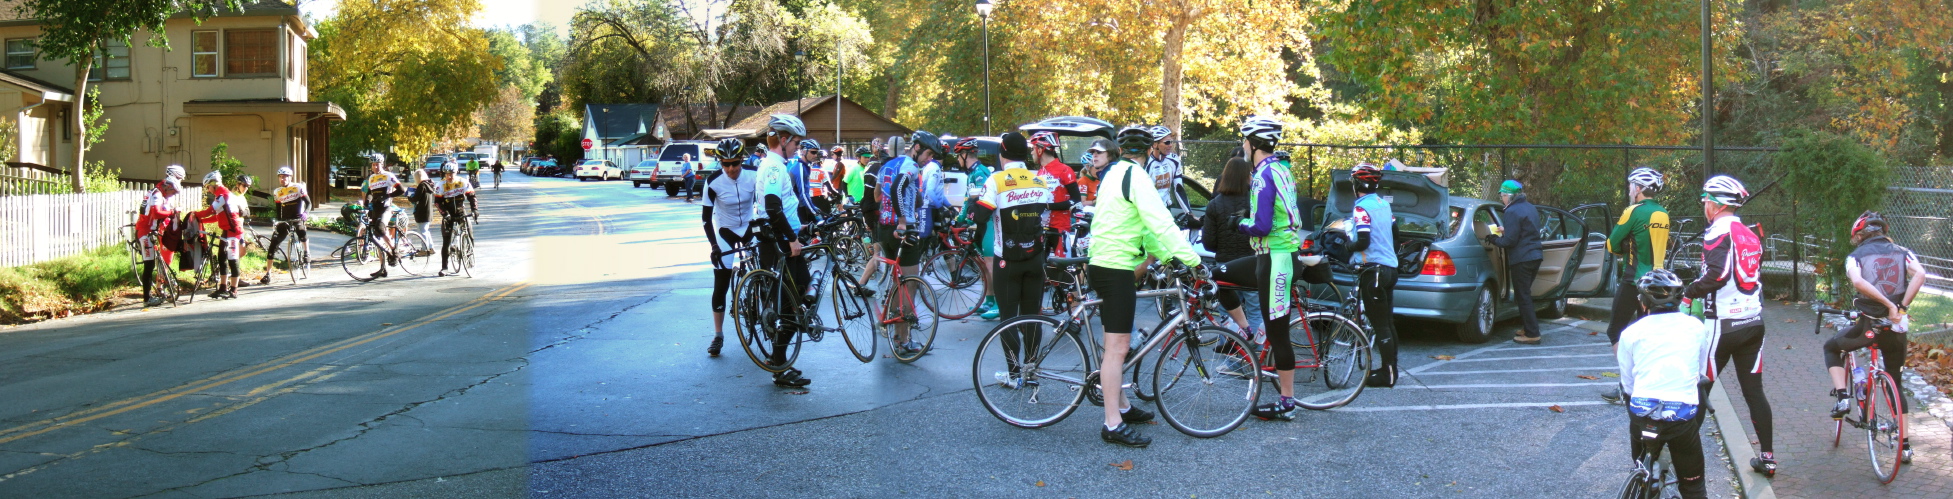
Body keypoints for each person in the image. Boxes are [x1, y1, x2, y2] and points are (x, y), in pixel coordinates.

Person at [1090, 125, 1204, 447]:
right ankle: (1112, 424)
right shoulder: (1138, 177)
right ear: (1147, 150)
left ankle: (1122, 406)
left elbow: (1146, 228)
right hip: (1115, 270)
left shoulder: (1113, 174)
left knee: (1117, 344)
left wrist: (1170, 257)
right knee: (1116, 350)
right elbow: (1161, 222)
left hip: (1104, 264)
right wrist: (1194, 262)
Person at [1680, 175, 1777, 475]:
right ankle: (1768, 457)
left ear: (1717, 203)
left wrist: (1688, 293)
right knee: (1754, 392)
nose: (1704, 206)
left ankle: (1682, 455)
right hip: (1752, 321)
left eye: (1706, 200)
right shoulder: (1747, 232)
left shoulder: (1718, 231)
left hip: (1722, 325)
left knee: (1698, 387)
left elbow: (1717, 276)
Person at [1822, 211, 1927, 464]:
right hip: (1896, 329)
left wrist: (1885, 305)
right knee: (1896, 382)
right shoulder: (1903, 252)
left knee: (1831, 348)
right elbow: (1921, 275)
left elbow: (1858, 282)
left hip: (1867, 327)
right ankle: (1904, 446)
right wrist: (1899, 308)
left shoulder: (1855, 257)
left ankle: (1843, 397)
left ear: (1859, 235)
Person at [1229, 116, 1309, 420]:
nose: (1243, 146)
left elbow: (1261, 225)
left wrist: (1239, 223)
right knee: (1222, 275)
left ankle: (1287, 403)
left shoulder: (1263, 174)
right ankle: (1247, 337)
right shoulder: (1280, 168)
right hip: (1275, 255)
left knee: (1278, 334)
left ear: (1253, 144)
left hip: (1276, 258)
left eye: (1244, 141)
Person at [1616, 269, 1712, 499]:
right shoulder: (1696, 327)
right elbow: (1700, 370)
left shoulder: (1631, 333)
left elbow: (1627, 382)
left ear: (1644, 302)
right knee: (1693, 485)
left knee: (1637, 423)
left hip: (1642, 411)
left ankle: (1646, 476)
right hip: (1680, 414)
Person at [970, 132, 1052, 389]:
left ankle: (1014, 373)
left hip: (1007, 259)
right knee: (1031, 316)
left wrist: (972, 208)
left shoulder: (997, 179)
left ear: (1002, 154)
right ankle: (1032, 369)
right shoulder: (1040, 180)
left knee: (1008, 318)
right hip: (1035, 258)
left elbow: (981, 216)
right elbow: (1045, 218)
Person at [751, 114, 816, 387]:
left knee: (799, 295)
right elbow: (773, 207)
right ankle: (779, 363)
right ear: (785, 139)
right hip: (778, 241)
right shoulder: (776, 167)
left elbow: (785, 206)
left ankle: (778, 359)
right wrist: (791, 239)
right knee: (794, 302)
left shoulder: (774, 163)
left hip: (779, 237)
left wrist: (804, 228)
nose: (798, 147)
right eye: (797, 142)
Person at [1602, 167, 1670, 402]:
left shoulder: (1633, 211)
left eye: (1631, 185)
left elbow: (1611, 244)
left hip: (1634, 282)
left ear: (1639, 189)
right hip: (1659, 284)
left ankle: (1627, 387)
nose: (1629, 189)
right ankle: (1650, 386)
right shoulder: (1663, 212)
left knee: (1615, 330)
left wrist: (1624, 248)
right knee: (1648, 336)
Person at [703, 138, 757, 357]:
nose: (731, 168)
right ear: (720, 163)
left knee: (761, 271)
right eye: (725, 164)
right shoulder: (713, 181)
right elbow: (706, 219)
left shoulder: (754, 175)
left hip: (749, 229)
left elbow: (765, 203)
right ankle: (718, 335)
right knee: (721, 284)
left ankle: (758, 306)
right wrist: (714, 245)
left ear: (742, 160)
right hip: (725, 231)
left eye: (735, 163)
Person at [1201, 157, 1262, 349]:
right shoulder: (1256, 202)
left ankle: (1232, 357)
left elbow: (1208, 242)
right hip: (1252, 263)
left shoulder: (1215, 205)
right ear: (1247, 177)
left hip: (1225, 265)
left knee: (1228, 311)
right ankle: (1256, 354)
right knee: (1254, 309)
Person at [1349, 162, 1400, 387]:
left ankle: (1387, 374)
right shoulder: (1383, 205)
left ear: (1357, 184)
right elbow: (1395, 233)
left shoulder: (1361, 208)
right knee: (1387, 322)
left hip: (1374, 271)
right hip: (1390, 269)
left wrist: (1344, 246)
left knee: (1380, 325)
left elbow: (1363, 240)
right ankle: (1390, 370)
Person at [1483, 180, 1545, 344]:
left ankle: (1532, 333)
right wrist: (1506, 230)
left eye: (1503, 196)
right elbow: (1525, 230)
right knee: (1525, 294)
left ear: (1508, 196)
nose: (1502, 199)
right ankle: (1527, 327)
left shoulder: (1511, 211)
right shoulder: (1530, 207)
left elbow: (1509, 242)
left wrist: (1493, 238)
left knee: (1523, 295)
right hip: (1535, 256)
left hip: (1522, 258)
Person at [950, 137, 1000, 320]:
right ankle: (988, 299)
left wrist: (967, 217)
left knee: (990, 264)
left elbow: (981, 202)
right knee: (983, 265)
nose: (956, 160)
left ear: (965, 154)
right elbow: (967, 201)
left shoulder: (980, 173)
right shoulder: (972, 174)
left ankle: (998, 304)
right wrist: (959, 219)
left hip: (988, 224)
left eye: (958, 156)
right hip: (980, 224)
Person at [137, 168, 184, 306]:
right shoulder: (157, 194)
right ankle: (146, 299)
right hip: (145, 232)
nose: (171, 195)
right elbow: (156, 213)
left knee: (152, 264)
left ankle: (153, 293)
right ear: (167, 187)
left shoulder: (157, 191)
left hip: (150, 231)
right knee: (149, 265)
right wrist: (172, 212)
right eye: (172, 192)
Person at [195, 171, 247, 299]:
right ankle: (223, 287)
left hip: (233, 232)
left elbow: (209, 211)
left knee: (233, 260)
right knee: (222, 258)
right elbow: (217, 217)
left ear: (213, 184)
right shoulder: (222, 196)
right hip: (226, 230)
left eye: (208, 187)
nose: (208, 190)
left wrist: (194, 215)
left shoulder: (223, 195)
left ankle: (234, 290)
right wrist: (200, 220)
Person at [1031, 131, 1081, 257]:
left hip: (1059, 227)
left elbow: (1076, 200)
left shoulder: (1064, 170)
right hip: (1042, 226)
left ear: (1040, 149)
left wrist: (1048, 206)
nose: (1031, 152)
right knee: (1042, 268)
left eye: (1033, 149)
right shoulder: (1040, 171)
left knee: (1061, 269)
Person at [260, 166, 311, 285]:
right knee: (273, 244)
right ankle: (268, 274)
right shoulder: (277, 191)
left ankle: (306, 252)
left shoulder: (298, 187)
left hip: (297, 217)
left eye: (285, 177)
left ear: (290, 177)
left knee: (301, 231)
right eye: (280, 177)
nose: (283, 179)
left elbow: (309, 203)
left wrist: (305, 213)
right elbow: (278, 209)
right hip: (285, 220)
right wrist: (278, 221)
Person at [361, 154, 405, 280]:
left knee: (380, 229)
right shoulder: (372, 178)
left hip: (386, 208)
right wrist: (367, 202)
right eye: (373, 165)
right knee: (376, 239)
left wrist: (388, 196)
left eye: (377, 164)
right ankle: (382, 268)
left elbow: (401, 190)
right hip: (375, 209)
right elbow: (370, 193)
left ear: (382, 164)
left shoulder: (388, 175)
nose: (375, 167)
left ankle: (394, 250)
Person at [433, 163, 478, 276]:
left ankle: (469, 255)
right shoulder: (440, 185)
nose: (450, 176)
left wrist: (474, 209)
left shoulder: (463, 182)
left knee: (470, 233)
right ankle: (444, 267)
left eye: (452, 173)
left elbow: (472, 196)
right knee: (446, 241)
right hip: (447, 213)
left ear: (456, 172)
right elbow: (437, 203)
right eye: (447, 174)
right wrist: (444, 214)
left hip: (460, 211)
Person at [1077, 139, 1114, 206]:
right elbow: (1081, 203)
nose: (1099, 170)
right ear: (1088, 167)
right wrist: (1096, 201)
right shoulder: (1083, 181)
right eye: (1097, 168)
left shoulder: (1100, 179)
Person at [803, 141, 833, 216]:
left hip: (809, 198)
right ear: (822, 160)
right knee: (827, 216)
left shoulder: (808, 169)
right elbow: (829, 187)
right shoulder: (821, 171)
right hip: (820, 197)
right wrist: (838, 195)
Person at [408, 169, 437, 242]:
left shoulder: (422, 186)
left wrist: (409, 196)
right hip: (428, 211)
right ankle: (430, 247)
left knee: (422, 232)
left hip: (422, 211)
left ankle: (425, 249)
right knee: (425, 231)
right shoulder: (428, 185)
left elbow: (415, 198)